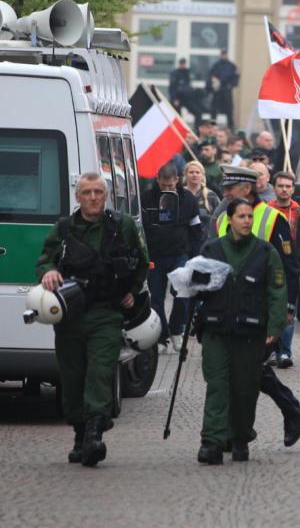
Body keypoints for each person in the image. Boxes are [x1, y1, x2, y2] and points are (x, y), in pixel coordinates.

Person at [35, 173, 149, 466]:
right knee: (73, 377)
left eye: (99, 191)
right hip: (71, 315)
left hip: (106, 313)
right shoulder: (64, 228)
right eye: (87, 192)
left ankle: (95, 434)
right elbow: (44, 259)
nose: (94, 197)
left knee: (100, 371)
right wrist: (48, 272)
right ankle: (80, 432)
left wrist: (132, 292)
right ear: (78, 197)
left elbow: (142, 259)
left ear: (106, 195)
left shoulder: (120, 225)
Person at [213, 166, 300, 443]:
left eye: (231, 187)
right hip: (229, 308)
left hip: (262, 308)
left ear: (247, 189)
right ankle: (251, 425)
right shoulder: (222, 218)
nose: (226, 191)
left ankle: (257, 423)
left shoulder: (272, 218)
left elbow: (289, 267)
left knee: (250, 368)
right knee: (242, 369)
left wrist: (288, 309)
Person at [195, 198, 287, 465]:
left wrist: (275, 327)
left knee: (245, 388)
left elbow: (277, 291)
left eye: (249, 216)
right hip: (216, 329)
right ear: (229, 220)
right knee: (218, 385)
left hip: (250, 332)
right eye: (241, 216)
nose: (247, 221)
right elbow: (196, 285)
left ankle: (240, 437)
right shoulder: (212, 249)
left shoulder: (265, 251)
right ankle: (212, 441)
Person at [141, 164, 204, 353]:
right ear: (157, 180)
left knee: (182, 295)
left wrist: (195, 257)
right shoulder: (146, 199)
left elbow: (196, 229)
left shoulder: (188, 200)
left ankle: (177, 329)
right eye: (164, 185)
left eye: (171, 186)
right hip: (155, 255)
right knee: (156, 299)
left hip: (180, 253)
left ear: (177, 180)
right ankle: (162, 338)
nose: (167, 189)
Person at [269, 171, 300, 367]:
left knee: (289, 309)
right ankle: (271, 350)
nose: (284, 189)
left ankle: (284, 352)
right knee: (271, 310)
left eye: (288, 186)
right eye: (280, 186)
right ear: (274, 188)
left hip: (291, 268)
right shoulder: (266, 211)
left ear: (293, 189)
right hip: (269, 266)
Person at [183, 160, 220, 248]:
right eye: (191, 172)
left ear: (202, 175)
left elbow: (220, 218)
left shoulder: (211, 196)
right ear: (185, 175)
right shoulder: (179, 194)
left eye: (197, 172)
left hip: (206, 244)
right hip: (184, 244)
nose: (194, 175)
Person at [206, 49, 239, 129]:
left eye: (225, 54)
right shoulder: (216, 65)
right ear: (220, 55)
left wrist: (231, 85)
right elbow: (210, 76)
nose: (223, 56)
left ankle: (230, 128)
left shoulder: (231, 66)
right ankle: (212, 127)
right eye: (222, 54)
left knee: (229, 111)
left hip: (226, 91)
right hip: (217, 92)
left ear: (227, 55)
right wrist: (212, 83)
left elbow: (236, 78)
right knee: (214, 111)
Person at [169, 58, 204, 128]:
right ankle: (178, 130)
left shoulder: (188, 72)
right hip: (178, 98)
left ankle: (197, 130)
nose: (183, 65)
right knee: (177, 116)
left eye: (184, 63)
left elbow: (189, 86)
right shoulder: (175, 73)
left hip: (187, 98)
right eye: (181, 64)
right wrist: (174, 99)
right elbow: (172, 88)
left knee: (198, 113)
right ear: (179, 64)